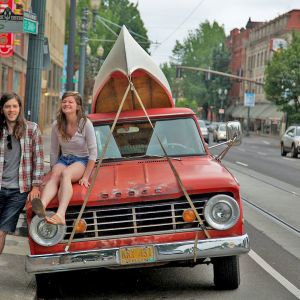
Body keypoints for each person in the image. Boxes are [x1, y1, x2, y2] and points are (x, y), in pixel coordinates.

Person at [32, 91, 97, 225]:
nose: (66, 104)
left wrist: (85, 176)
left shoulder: (85, 124)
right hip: (64, 159)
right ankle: (42, 206)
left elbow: (93, 153)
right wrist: (51, 170)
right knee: (56, 174)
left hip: (81, 160)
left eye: (70, 102)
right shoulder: (57, 124)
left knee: (65, 174)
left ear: (78, 106)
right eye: (64, 101)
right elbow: (54, 151)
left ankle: (61, 214)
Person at [0, 92, 44, 254]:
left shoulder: (31, 129)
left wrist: (36, 187)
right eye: (7, 106)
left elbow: (38, 160)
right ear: (2, 109)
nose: (11, 110)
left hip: (18, 191)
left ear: (19, 109)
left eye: (14, 106)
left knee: (2, 231)